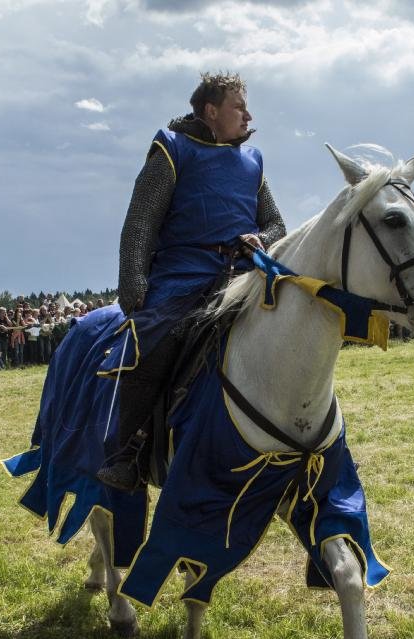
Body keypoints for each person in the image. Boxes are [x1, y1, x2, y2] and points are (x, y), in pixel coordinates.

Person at [97, 71, 286, 491]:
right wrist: (133, 283)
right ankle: (129, 453)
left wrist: (264, 237)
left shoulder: (252, 161)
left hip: (242, 273)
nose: (248, 115)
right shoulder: (172, 148)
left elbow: (277, 223)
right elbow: (141, 221)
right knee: (157, 342)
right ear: (211, 110)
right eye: (239, 106)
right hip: (182, 275)